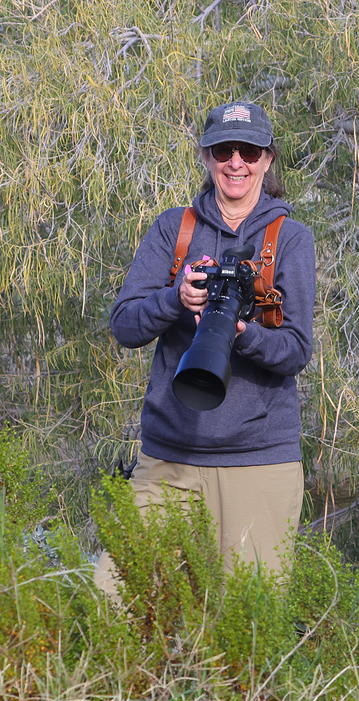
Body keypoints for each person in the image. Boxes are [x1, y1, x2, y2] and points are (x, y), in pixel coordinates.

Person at [96, 101, 315, 592]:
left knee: (247, 618)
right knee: (115, 600)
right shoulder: (174, 229)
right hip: (167, 458)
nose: (236, 163)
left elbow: (296, 350)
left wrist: (243, 332)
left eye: (249, 151)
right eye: (223, 150)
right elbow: (125, 326)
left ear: (267, 159)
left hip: (259, 460)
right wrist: (175, 298)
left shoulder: (291, 238)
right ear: (206, 156)